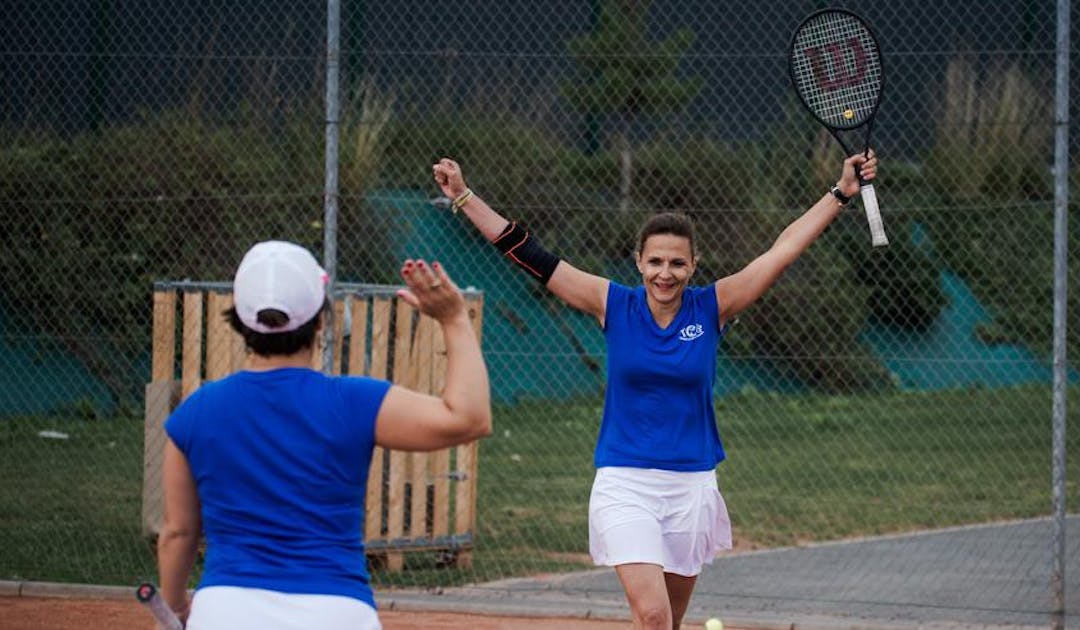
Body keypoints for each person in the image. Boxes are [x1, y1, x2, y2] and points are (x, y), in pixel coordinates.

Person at [432, 151, 877, 630]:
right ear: (639, 262)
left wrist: (840, 193)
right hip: (626, 483)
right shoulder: (612, 303)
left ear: (693, 265)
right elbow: (532, 255)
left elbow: (783, 250)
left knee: (669, 623)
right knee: (652, 616)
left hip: (691, 486)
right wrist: (464, 197)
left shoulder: (713, 307)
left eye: (677, 264)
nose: (665, 273)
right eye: (656, 262)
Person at [157, 240, 491, 629]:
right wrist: (454, 320)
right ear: (321, 319)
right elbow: (471, 418)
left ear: (240, 319)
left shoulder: (195, 412)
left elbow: (178, 531)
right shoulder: (354, 402)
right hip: (336, 611)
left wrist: (175, 606)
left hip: (227, 608)